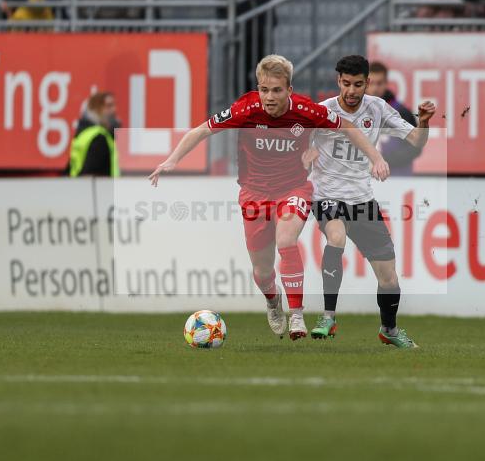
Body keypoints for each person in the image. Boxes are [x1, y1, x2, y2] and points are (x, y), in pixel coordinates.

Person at [148, 55, 390, 340]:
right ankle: (274, 301)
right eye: (264, 89)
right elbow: (202, 130)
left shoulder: (305, 110)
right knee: (262, 271)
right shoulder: (246, 110)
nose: (269, 97)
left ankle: (297, 316)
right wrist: (172, 160)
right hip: (254, 193)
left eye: (276, 90)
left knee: (286, 239)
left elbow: (348, 127)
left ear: (289, 90)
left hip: (293, 189)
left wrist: (376, 157)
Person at [303, 55, 434, 349]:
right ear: (338, 81)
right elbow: (299, 149)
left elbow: (416, 141)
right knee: (335, 237)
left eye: (358, 84)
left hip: (362, 200)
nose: (351, 90)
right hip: (327, 195)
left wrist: (424, 122)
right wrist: (305, 158)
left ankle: (389, 329)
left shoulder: (377, 108)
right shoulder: (323, 111)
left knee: (388, 278)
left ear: (366, 84)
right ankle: (328, 317)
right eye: (346, 83)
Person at [366, 61, 419, 176]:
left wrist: (383, 160)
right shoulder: (356, 112)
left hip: (397, 179)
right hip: (367, 182)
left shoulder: (402, 113)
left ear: (386, 84)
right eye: (371, 83)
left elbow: (416, 147)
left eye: (379, 83)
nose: (375, 88)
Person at [68, 91, 121, 177]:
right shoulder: (99, 138)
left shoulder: (83, 133)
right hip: (98, 189)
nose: (114, 110)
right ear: (96, 109)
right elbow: (89, 175)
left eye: (114, 105)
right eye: (108, 106)